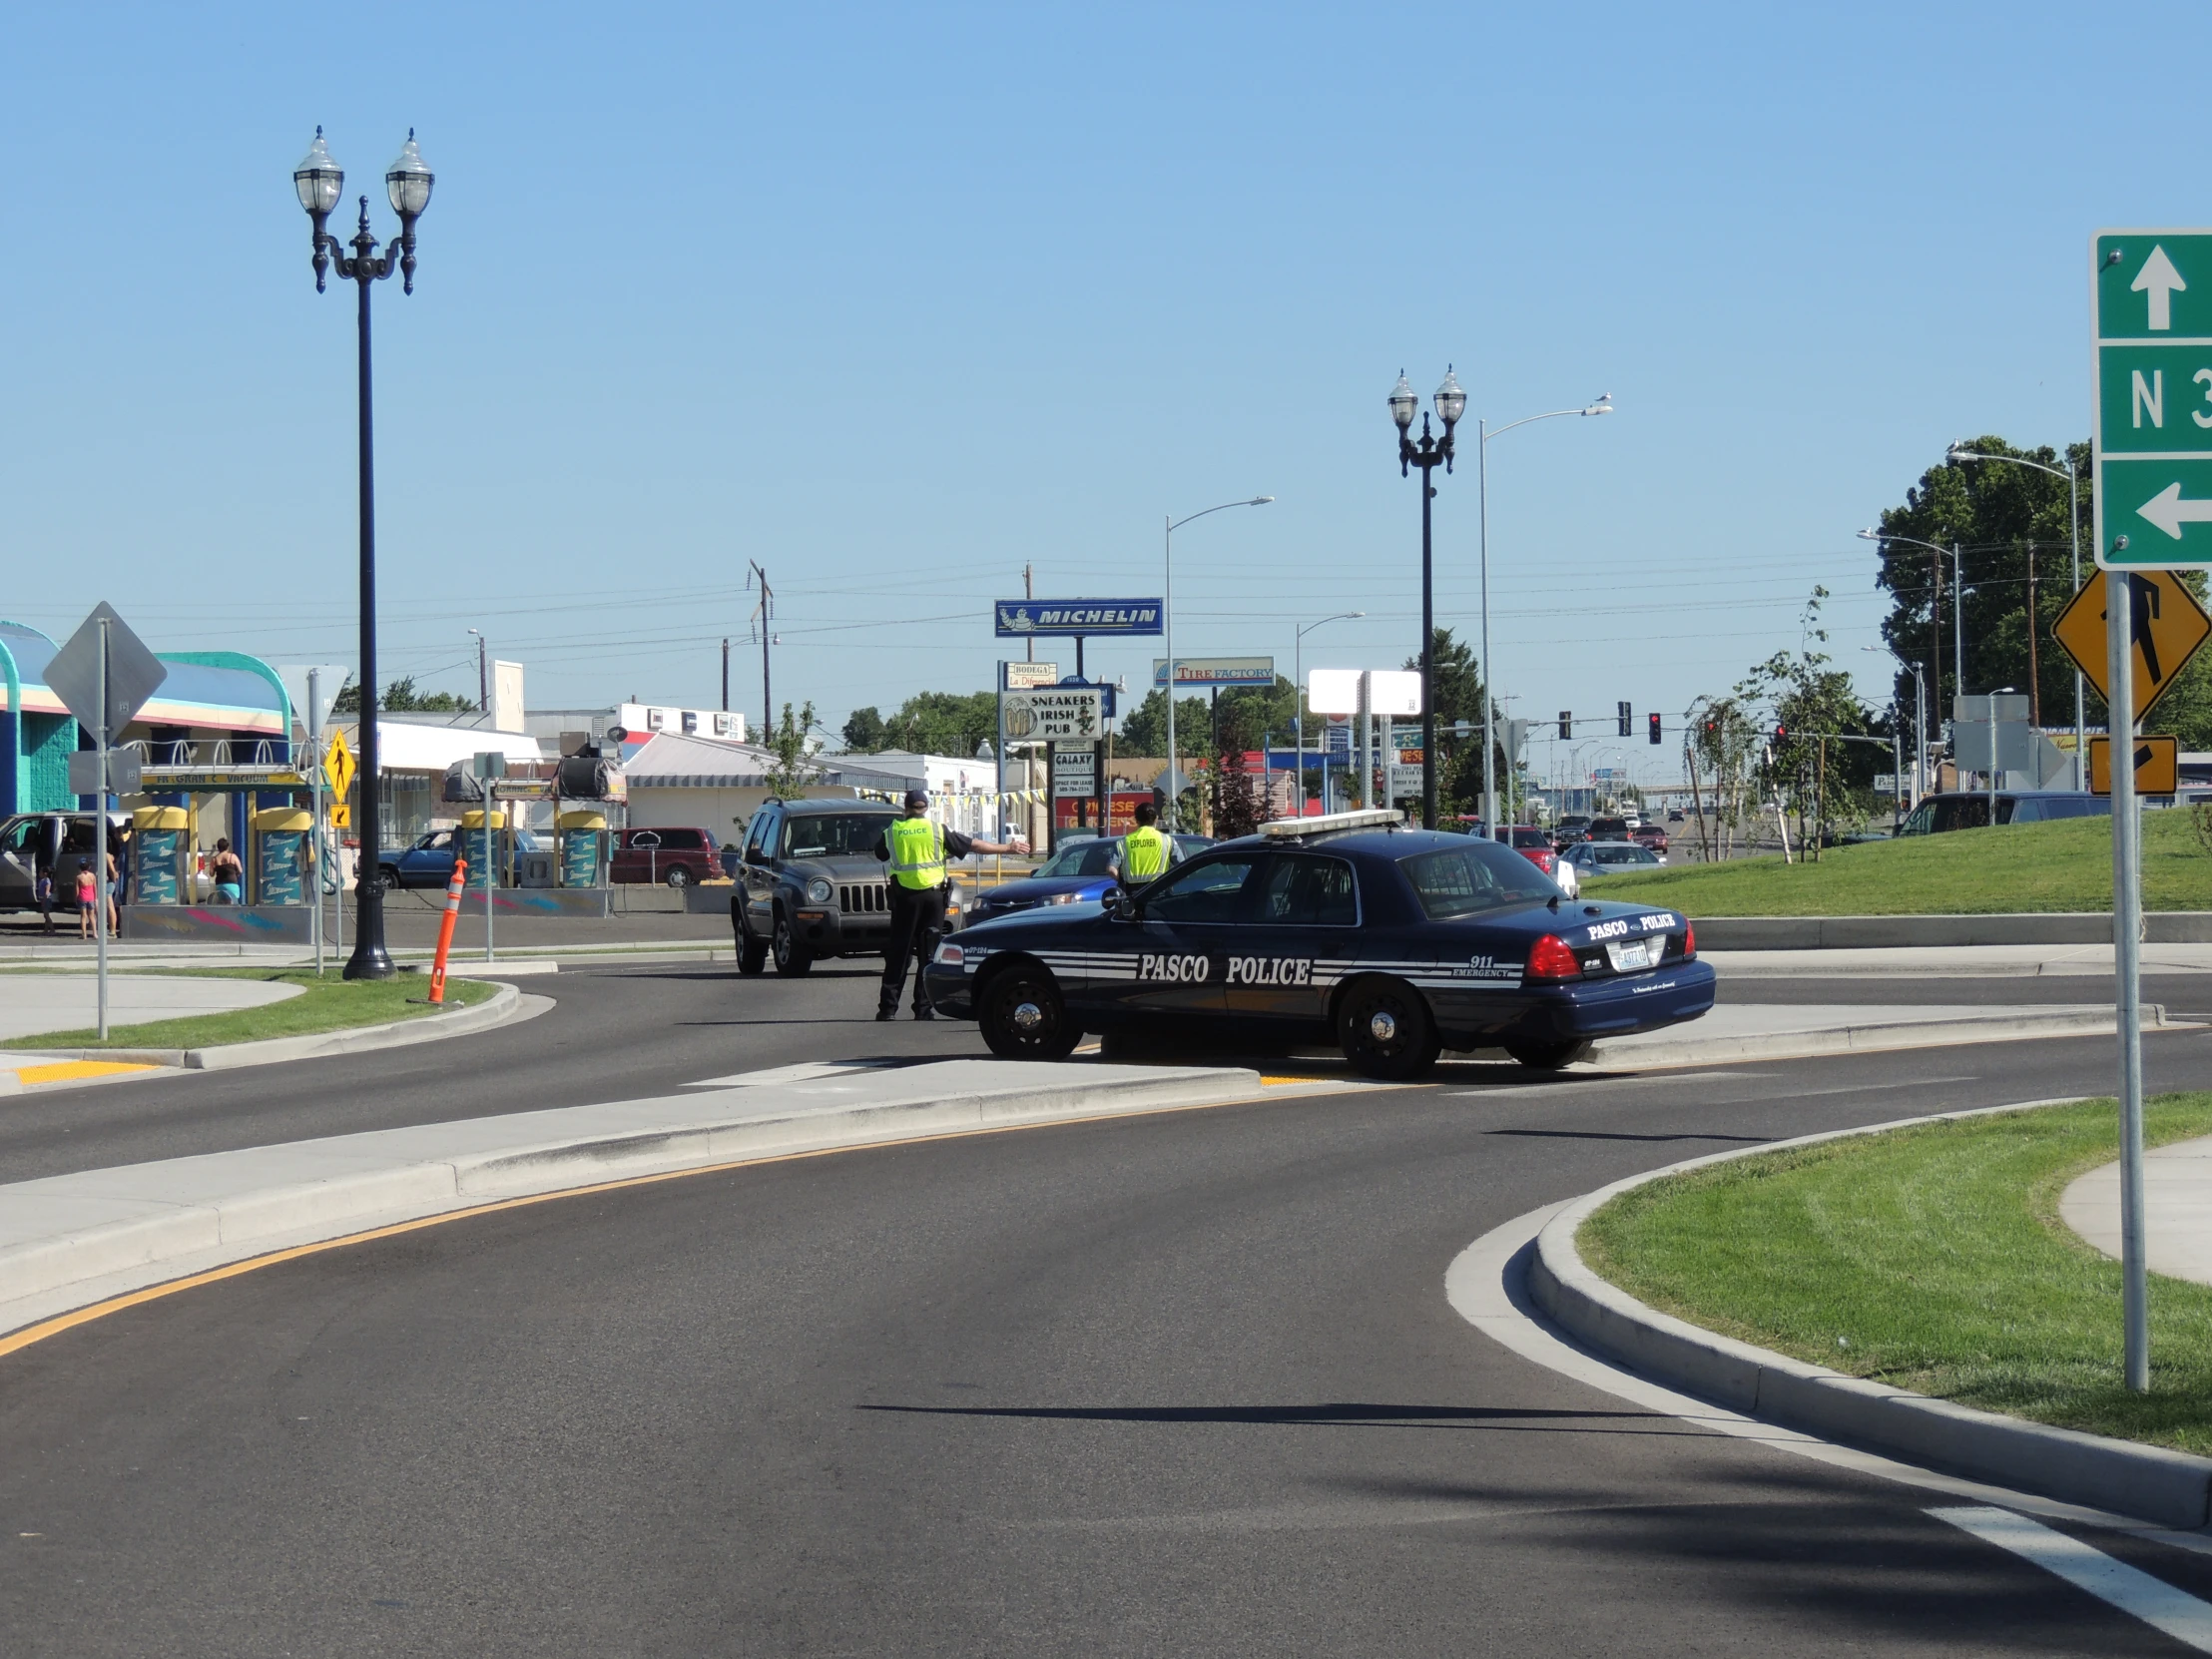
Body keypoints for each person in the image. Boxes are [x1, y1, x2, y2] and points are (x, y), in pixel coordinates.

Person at [872, 790, 1026, 1020]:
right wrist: (1008, 848)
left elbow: (880, 855)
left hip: (905, 898)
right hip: (933, 898)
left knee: (899, 952)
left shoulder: (892, 831)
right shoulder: (937, 830)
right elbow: (974, 845)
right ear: (925, 808)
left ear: (905, 808)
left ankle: (888, 1009)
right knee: (928, 952)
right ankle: (923, 1009)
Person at [1111, 802, 1175, 885]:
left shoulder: (1123, 842)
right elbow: (1182, 866)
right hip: (1160, 890)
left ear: (1136, 820)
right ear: (1156, 819)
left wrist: (1123, 883)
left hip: (1133, 893)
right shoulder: (1167, 840)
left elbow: (1111, 869)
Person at [209, 836, 244, 904]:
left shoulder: (214, 859)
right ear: (227, 847)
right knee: (234, 905)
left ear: (218, 847)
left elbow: (211, 874)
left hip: (220, 885)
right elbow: (240, 870)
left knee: (223, 904)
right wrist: (236, 874)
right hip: (232, 884)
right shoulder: (233, 857)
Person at [74, 857, 97, 939]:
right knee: (92, 916)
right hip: (91, 897)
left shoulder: (79, 877)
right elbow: (95, 887)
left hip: (82, 897)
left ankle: (84, 934)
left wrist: (76, 898)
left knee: (83, 916)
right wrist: (95, 898)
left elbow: (77, 889)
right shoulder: (92, 876)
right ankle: (94, 933)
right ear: (89, 867)